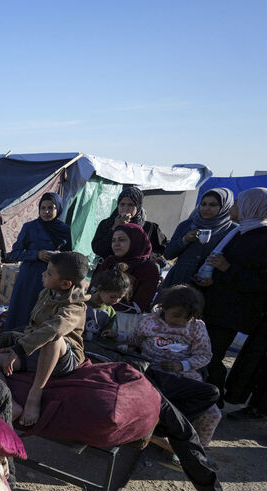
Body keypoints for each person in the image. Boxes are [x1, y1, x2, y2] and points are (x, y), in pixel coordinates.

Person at [105, 285, 220, 447]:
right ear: (164, 309)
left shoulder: (197, 327)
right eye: (176, 315)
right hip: (151, 372)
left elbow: (205, 355)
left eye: (186, 318)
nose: (180, 321)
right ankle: (157, 432)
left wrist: (182, 365)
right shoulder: (149, 321)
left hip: (184, 375)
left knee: (213, 413)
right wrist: (118, 335)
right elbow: (136, 339)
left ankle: (192, 448)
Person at [0, 251, 89, 426]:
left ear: (65, 284)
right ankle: (10, 405)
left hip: (64, 359)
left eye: (49, 273)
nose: (43, 274)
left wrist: (19, 349)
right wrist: (12, 343)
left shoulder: (75, 307)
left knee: (54, 338)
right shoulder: (46, 293)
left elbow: (53, 329)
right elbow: (32, 329)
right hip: (35, 349)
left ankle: (35, 393)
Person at [197, 187, 267, 408]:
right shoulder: (239, 232)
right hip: (214, 303)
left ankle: (213, 403)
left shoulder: (263, 239)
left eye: (238, 203)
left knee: (212, 355)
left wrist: (227, 269)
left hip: (232, 312)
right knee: (202, 351)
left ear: (252, 206)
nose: (234, 207)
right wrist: (211, 277)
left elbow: (261, 283)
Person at [5, 192, 73, 331]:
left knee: (43, 316)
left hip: (52, 280)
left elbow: (69, 254)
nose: (47, 211)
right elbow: (14, 254)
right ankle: (12, 344)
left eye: (51, 208)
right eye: (43, 208)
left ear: (58, 209)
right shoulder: (29, 227)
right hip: (29, 278)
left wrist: (60, 256)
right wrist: (37, 254)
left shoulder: (64, 230)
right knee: (21, 313)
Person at [162, 188, 237, 288]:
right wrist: (185, 240)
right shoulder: (186, 225)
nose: (206, 208)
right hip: (179, 280)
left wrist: (214, 277)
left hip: (209, 286)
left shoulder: (232, 230)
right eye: (203, 204)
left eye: (213, 205)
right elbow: (168, 254)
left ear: (225, 206)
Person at [91, 223, 160, 313]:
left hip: (127, 321)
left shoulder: (148, 268)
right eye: (113, 240)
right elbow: (94, 290)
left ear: (136, 241)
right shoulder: (110, 261)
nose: (116, 244)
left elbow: (138, 307)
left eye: (122, 240)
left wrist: (106, 306)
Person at [91, 186, 168, 262]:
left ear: (138, 207)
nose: (125, 208)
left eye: (130, 205)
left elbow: (163, 247)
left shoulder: (149, 227)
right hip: (109, 269)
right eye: (122, 204)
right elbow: (98, 249)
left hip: (136, 271)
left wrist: (146, 257)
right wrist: (114, 227)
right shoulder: (106, 224)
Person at [84, 265, 130, 341]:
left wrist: (110, 334)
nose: (116, 301)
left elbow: (106, 334)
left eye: (120, 298)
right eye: (112, 297)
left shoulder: (111, 314)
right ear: (99, 289)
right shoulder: (82, 304)